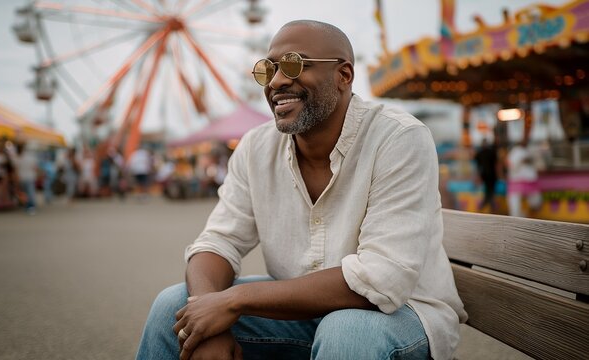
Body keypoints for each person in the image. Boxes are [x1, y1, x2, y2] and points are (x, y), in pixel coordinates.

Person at [137, 20, 466, 360]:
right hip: (300, 315)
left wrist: (232, 302)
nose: (277, 81)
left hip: (401, 315)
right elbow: (218, 242)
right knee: (172, 309)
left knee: (347, 331)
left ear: (344, 76)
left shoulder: (398, 138)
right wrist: (206, 315)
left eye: (295, 63)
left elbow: (381, 279)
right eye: (269, 68)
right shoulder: (256, 147)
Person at [507, 139, 541, 217]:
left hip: (522, 180)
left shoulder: (525, 151)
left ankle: (519, 215)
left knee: (533, 201)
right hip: (518, 180)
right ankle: (518, 216)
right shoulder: (517, 152)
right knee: (515, 205)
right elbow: (512, 165)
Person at [473, 138, 499, 213]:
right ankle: (490, 206)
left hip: (486, 175)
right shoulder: (491, 152)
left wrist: (478, 177)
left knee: (488, 192)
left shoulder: (480, 153)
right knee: (490, 192)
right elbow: (496, 165)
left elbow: (478, 166)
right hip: (491, 176)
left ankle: (487, 205)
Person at [14, 143, 39, 214]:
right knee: (31, 192)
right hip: (30, 177)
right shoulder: (31, 157)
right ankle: (31, 206)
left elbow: (16, 170)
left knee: (24, 193)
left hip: (21, 178)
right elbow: (35, 168)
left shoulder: (17, 158)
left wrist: (16, 179)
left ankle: (27, 206)